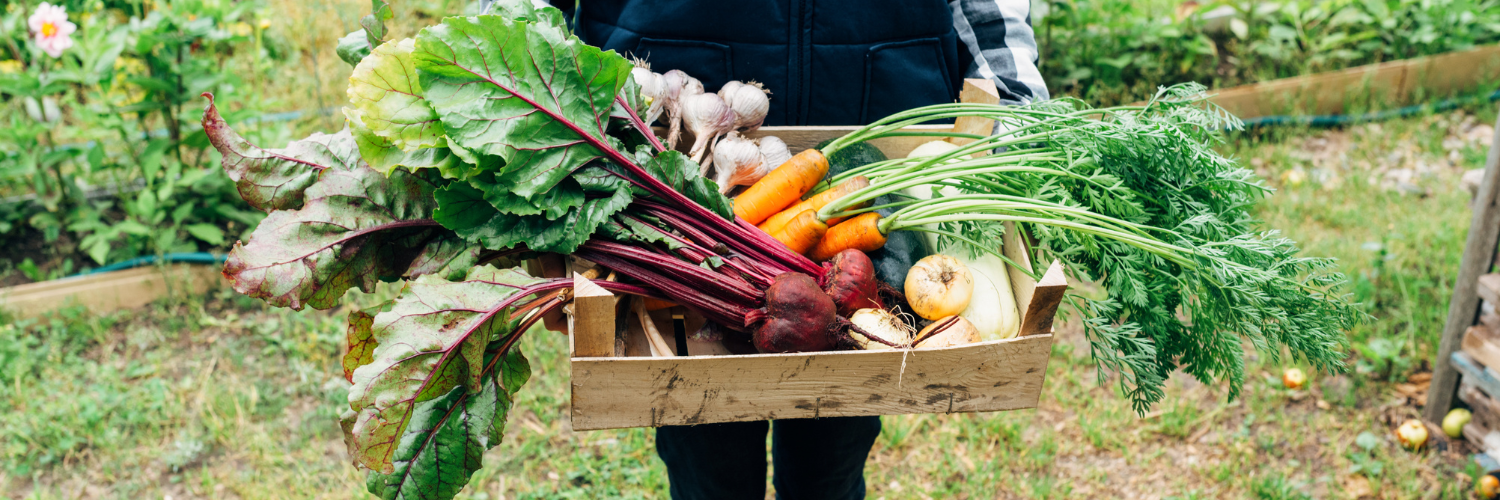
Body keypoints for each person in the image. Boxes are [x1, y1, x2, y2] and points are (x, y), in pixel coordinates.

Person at [547, 1, 1049, 498]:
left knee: (837, 445)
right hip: (675, 117)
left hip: (878, 107)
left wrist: (1018, 111)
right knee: (702, 448)